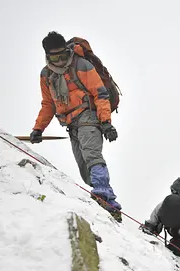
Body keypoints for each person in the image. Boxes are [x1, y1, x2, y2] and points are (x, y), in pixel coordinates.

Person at [29, 31, 122, 221]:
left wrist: (106, 123)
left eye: (63, 54)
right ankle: (110, 203)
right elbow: (48, 104)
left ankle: (102, 193)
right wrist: (38, 129)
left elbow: (100, 94)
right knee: (84, 169)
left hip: (89, 116)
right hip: (71, 125)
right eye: (55, 56)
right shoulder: (46, 75)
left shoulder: (81, 65)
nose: (61, 60)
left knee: (91, 154)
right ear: (47, 55)